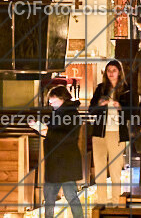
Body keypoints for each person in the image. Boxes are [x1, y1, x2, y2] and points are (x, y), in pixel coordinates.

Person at [29, 85, 84, 218]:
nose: (49, 103)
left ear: (61, 98)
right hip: (55, 161)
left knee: (69, 195)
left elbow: (69, 137)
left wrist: (47, 131)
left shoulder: (73, 114)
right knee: (49, 197)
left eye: (52, 100)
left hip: (65, 161)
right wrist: (40, 129)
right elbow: (53, 133)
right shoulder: (57, 113)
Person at [89, 60, 131, 206]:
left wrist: (119, 106)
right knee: (100, 170)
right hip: (99, 133)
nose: (111, 73)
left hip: (117, 134)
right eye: (108, 70)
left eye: (114, 70)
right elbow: (91, 110)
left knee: (115, 170)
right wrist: (100, 104)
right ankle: (101, 202)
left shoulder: (126, 89)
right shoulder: (101, 88)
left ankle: (116, 202)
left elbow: (132, 113)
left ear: (119, 72)